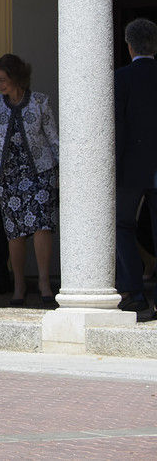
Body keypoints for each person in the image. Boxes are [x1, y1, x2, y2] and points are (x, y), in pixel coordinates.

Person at [0, 54, 59, 308]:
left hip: (40, 172)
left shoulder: (40, 101)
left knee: (42, 226)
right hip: (8, 176)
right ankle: (19, 284)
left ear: (17, 77)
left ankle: (43, 282)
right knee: (15, 232)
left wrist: (62, 174)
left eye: (3, 79)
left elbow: (53, 139)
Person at [114, 18, 157, 321]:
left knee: (122, 226)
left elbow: (117, 126)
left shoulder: (121, 78)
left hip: (129, 167)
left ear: (129, 46)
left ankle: (134, 294)